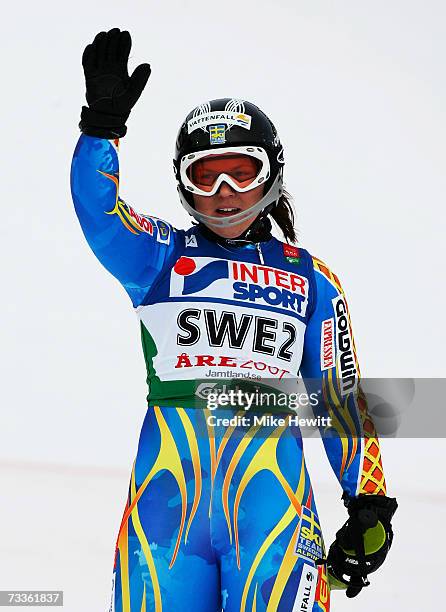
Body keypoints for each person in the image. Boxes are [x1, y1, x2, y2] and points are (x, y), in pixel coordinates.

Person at [71, 28, 397, 612]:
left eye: (240, 173)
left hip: (273, 523)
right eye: (206, 175)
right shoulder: (158, 257)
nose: (224, 193)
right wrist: (101, 131)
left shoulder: (312, 279)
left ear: (271, 173)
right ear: (182, 182)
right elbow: (98, 213)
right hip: (165, 525)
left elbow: (339, 398)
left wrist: (368, 501)